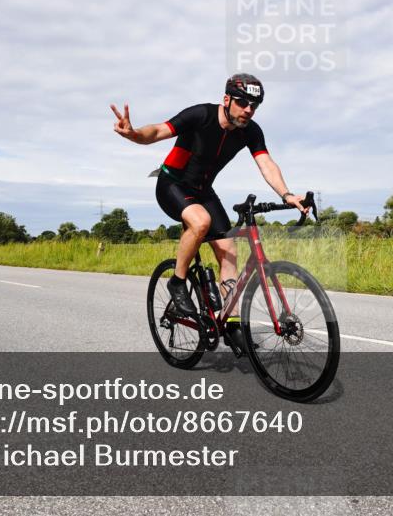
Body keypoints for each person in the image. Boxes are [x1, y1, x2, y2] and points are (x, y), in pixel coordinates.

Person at [111, 74, 307, 341]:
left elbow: (266, 164)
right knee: (200, 221)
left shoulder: (251, 131)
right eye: (242, 102)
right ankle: (177, 283)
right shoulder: (201, 115)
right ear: (226, 99)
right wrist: (134, 134)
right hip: (172, 184)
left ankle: (232, 323)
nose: (248, 110)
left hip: (203, 191)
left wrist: (286, 194)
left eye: (254, 105)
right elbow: (157, 131)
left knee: (229, 251)